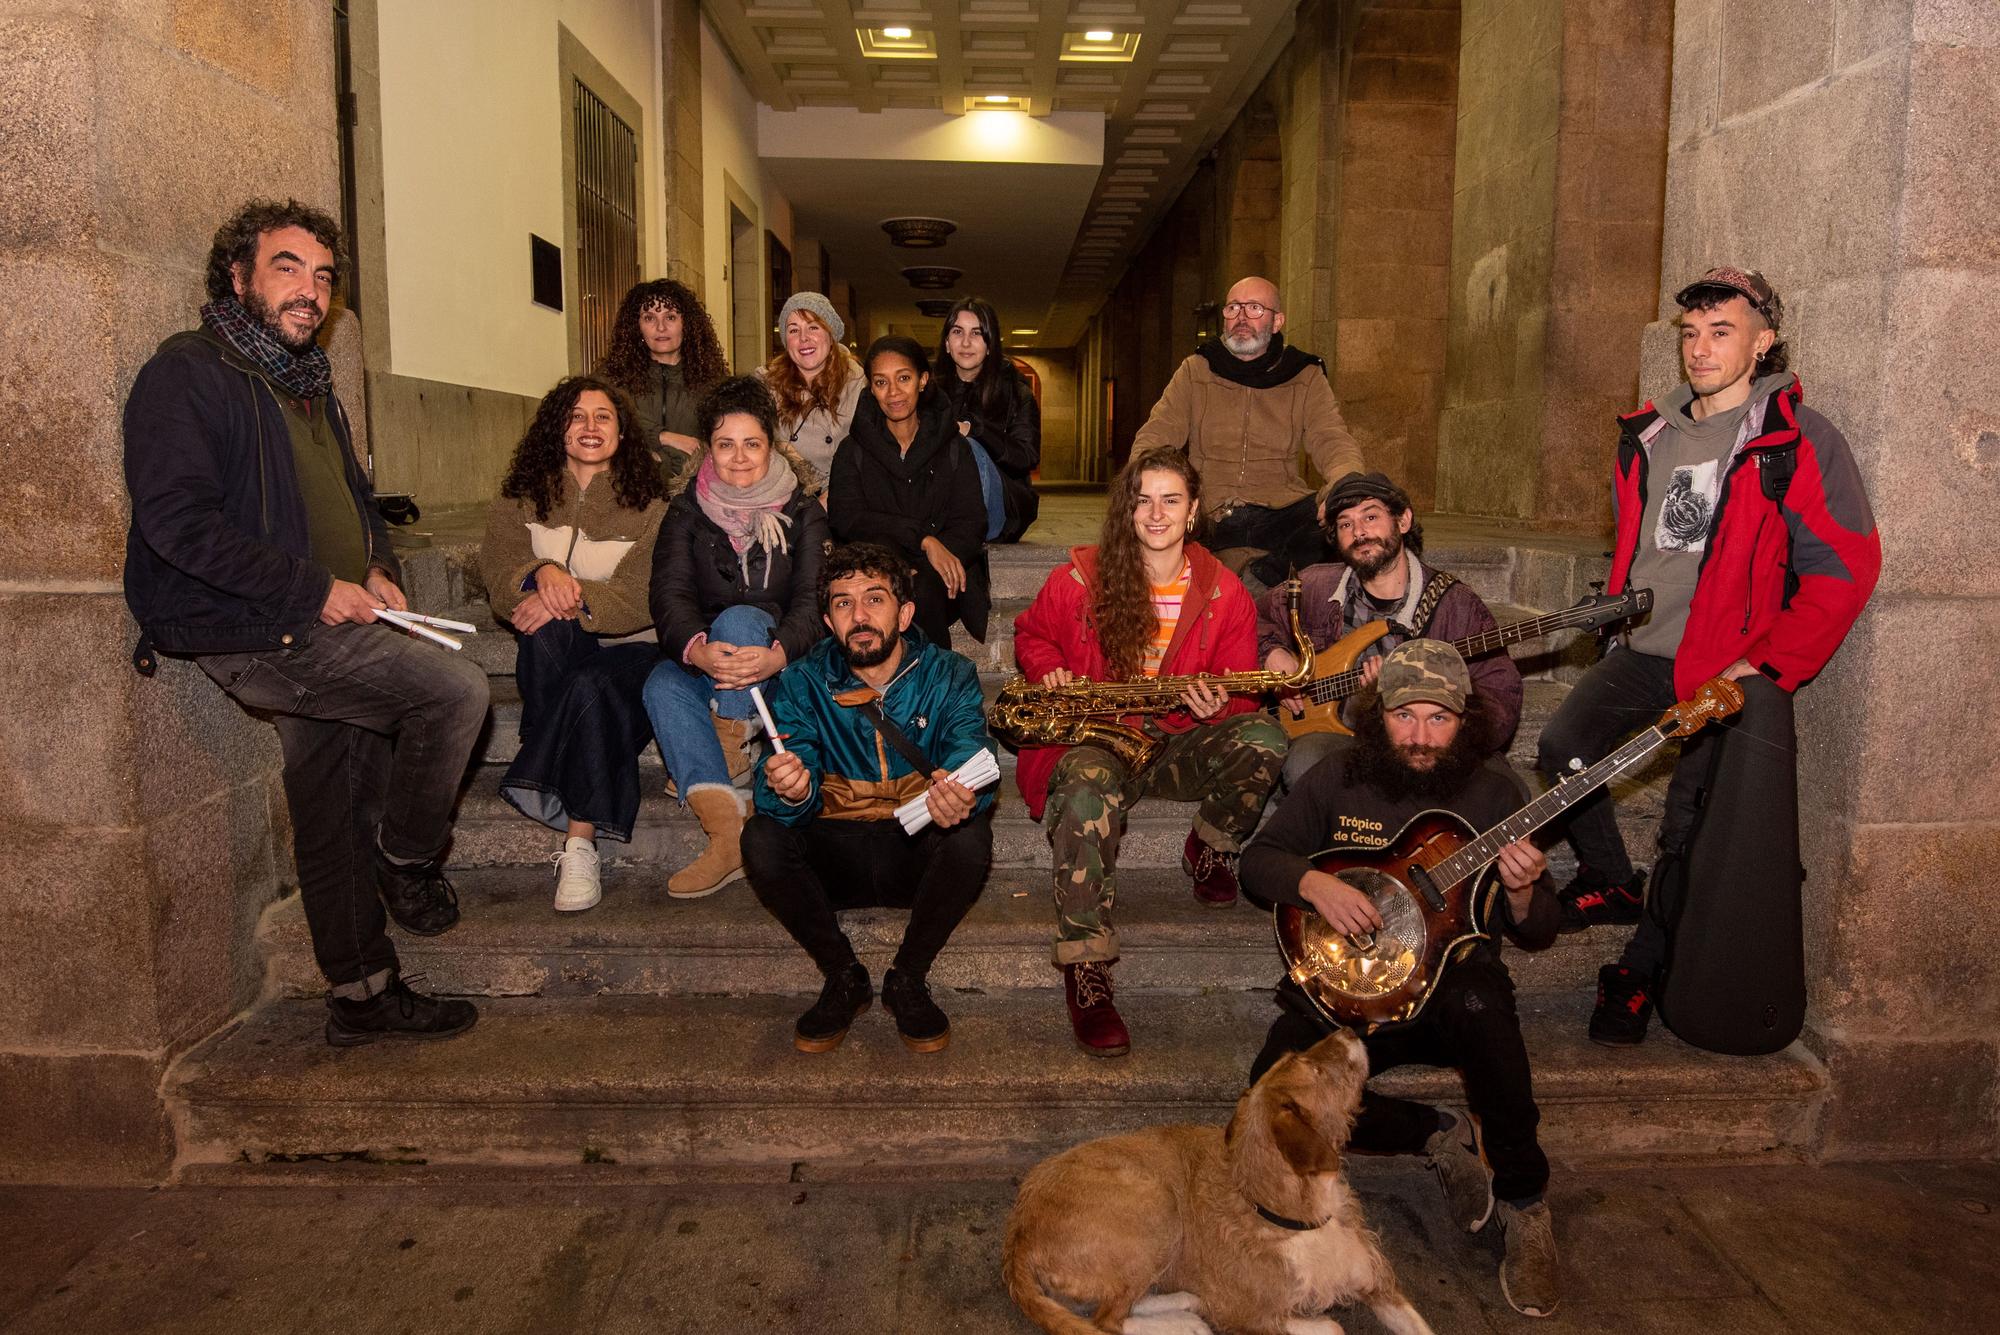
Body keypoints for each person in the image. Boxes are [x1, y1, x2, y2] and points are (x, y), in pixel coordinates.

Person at [123, 198, 489, 1046]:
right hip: (259, 628)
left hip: (325, 616)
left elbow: (360, 504)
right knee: (456, 694)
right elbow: (175, 524)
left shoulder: (310, 386)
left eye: (322, 277)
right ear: (239, 276)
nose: (310, 292)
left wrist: (377, 569)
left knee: (330, 800)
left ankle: (362, 994)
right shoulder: (189, 371)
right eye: (288, 267)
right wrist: (310, 589)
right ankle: (406, 861)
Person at [1534, 267, 1879, 1049]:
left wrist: (1769, 664)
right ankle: (1609, 878)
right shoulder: (1651, 434)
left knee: (1687, 828)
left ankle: (1641, 969)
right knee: (1563, 747)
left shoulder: (1795, 438)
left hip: (1728, 667)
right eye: (1690, 334)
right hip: (1648, 650)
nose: (1701, 349)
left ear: (1763, 342)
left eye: (1721, 332)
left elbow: (1847, 565)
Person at [1242, 640, 1562, 1318]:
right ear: (1377, 713)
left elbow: (1539, 927)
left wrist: (1525, 892)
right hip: (1344, 995)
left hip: (1446, 995)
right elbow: (1257, 859)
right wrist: (1313, 883)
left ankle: (1527, 1204)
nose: (1420, 735)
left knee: (1485, 998)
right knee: (1273, 1095)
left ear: (1465, 720)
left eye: (1439, 718)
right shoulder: (1336, 777)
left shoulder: (1495, 791)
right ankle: (1435, 1133)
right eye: (1404, 715)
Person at [1012, 449, 1288, 1057]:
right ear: (1127, 509)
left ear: (1193, 511)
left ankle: (1211, 843)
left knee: (1265, 739)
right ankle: (1086, 969)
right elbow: (1031, 634)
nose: (1156, 513)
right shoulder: (1079, 578)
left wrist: (1219, 704)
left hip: (1173, 741)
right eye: (1143, 499)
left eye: (1171, 500)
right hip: (1097, 738)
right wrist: (1050, 669)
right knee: (1085, 789)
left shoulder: (1226, 593)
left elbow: (1242, 695)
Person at [743, 542, 997, 1053]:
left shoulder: (950, 675)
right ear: (828, 621)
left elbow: (973, 753)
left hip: (914, 854)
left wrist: (962, 792)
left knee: (971, 835)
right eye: (842, 604)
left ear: (904, 614)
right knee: (761, 836)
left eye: (874, 600)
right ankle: (843, 976)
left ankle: (907, 977)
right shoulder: (799, 682)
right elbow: (784, 779)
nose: (859, 616)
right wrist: (789, 788)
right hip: (834, 855)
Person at [478, 375, 669, 913]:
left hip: (634, 650)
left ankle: (577, 841)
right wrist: (540, 570)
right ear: (557, 428)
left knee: (587, 679)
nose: (590, 427)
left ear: (623, 431)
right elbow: (497, 572)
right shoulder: (520, 497)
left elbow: (643, 596)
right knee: (545, 630)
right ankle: (566, 757)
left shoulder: (654, 506)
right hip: (561, 650)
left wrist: (569, 591)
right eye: (577, 416)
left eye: (603, 416)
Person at [644, 376, 829, 899]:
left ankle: (725, 753)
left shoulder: (803, 510)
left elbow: (815, 604)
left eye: (753, 444)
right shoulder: (685, 511)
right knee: (660, 684)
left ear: (772, 447)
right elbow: (669, 593)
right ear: (710, 448)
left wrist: (776, 656)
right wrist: (696, 649)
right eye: (726, 445)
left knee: (743, 620)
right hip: (711, 666)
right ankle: (728, 833)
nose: (740, 457)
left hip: (781, 673)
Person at [1259, 470, 1523, 791]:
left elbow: (1500, 695)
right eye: (1345, 524)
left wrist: (1430, 707)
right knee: (1306, 762)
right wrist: (1271, 652)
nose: (1359, 532)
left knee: (1507, 789)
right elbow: (1248, 618)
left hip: (1424, 742)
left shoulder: (1455, 603)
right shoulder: (1314, 585)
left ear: (1403, 520)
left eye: (1371, 516)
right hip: (1340, 737)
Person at [1131, 275, 1363, 589]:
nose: (1241, 317)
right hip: (1208, 509)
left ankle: (1261, 577)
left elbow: (1331, 438)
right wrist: (1141, 480)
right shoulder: (1197, 369)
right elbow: (1159, 431)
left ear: (1277, 320)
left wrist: (1345, 482)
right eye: (1233, 308)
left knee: (1343, 522)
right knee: (1158, 518)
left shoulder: (1304, 374)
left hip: (1280, 508)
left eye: (1254, 308)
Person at [829, 335, 991, 647]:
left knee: (922, 589)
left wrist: (935, 553)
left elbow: (971, 521)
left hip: (942, 572)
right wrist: (920, 541)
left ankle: (933, 687)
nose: (893, 393)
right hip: (876, 564)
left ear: (922, 380)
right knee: (889, 589)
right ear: (871, 388)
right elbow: (847, 517)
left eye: (903, 378)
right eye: (881, 382)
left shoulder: (953, 446)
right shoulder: (853, 450)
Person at [594, 278, 728, 489]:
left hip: (695, 496)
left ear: (687, 324)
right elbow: (602, 420)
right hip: (629, 492)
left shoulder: (714, 382)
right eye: (649, 318)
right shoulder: (612, 377)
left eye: (671, 317)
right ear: (636, 326)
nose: (661, 327)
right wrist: (663, 437)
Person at [934, 296, 1041, 542]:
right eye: (957, 332)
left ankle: (955, 533)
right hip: (938, 505)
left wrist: (976, 430)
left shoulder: (1017, 392)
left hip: (1001, 505)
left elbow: (1026, 456)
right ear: (947, 344)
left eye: (977, 333)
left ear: (990, 344)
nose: (966, 342)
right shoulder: (928, 391)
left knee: (967, 446)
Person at [758, 291, 862, 494]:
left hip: (842, 493)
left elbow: (868, 453)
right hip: (783, 493)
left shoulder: (858, 384)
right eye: (793, 330)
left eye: (813, 327)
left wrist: (834, 495)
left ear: (830, 336)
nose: (804, 338)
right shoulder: (765, 384)